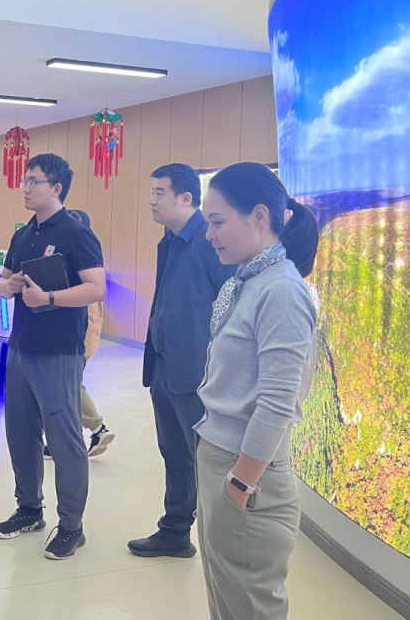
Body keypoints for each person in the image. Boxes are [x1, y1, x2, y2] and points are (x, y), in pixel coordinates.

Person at [196, 162, 319, 620]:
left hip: (247, 473)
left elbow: (277, 401)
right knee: (227, 600)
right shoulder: (248, 280)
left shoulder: (281, 290)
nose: (210, 234)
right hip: (222, 459)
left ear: (260, 216)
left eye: (217, 221)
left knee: (248, 606)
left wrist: (241, 483)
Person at [0, 154, 106, 560]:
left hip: (59, 351)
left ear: (56, 189)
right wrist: (9, 287)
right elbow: (4, 280)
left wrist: (50, 298)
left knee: (64, 440)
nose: (25, 187)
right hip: (21, 347)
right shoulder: (24, 234)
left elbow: (96, 288)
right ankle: (29, 509)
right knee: (20, 432)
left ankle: (71, 526)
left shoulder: (76, 234)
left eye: (33, 181)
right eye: (24, 180)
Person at [128, 163, 237, 559]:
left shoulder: (209, 241)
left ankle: (222, 541)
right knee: (174, 453)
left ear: (186, 198)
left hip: (197, 374)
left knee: (206, 460)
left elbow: (232, 302)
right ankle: (175, 531)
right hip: (163, 365)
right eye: (152, 192)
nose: (151, 201)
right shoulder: (169, 240)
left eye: (159, 193)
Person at [43, 209, 114, 460]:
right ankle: (93, 430)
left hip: (79, 337)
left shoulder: (82, 259)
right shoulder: (76, 259)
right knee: (66, 385)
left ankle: (89, 431)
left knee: (65, 387)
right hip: (77, 335)